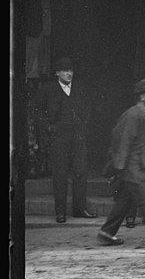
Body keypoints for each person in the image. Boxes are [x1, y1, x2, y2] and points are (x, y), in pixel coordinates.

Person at [97, 79, 145, 249]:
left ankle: (107, 232)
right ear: (142, 97)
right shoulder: (132, 115)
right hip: (133, 168)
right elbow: (122, 141)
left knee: (124, 201)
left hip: (140, 167)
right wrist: (120, 167)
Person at [32, 56, 97, 223]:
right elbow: (37, 111)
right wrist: (48, 127)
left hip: (78, 136)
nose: (69, 74)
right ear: (57, 73)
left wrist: (83, 124)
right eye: (65, 70)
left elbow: (88, 107)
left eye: (71, 70)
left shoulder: (80, 88)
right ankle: (60, 212)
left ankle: (80, 209)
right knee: (59, 174)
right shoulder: (47, 89)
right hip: (58, 137)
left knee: (80, 172)